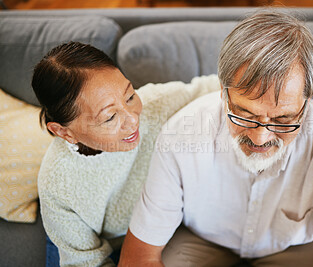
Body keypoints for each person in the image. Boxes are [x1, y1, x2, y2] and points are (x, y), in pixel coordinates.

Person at [119, 10, 313, 267]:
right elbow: (138, 258)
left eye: (283, 120)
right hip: (201, 241)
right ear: (223, 93)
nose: (260, 136)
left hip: (298, 247)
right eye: (244, 114)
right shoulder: (180, 134)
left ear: (306, 102)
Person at [32, 41, 219, 266]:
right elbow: (86, 261)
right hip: (92, 248)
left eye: (130, 96)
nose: (133, 119)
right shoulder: (57, 183)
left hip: (152, 232)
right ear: (64, 132)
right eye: (110, 117)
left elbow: (211, 87)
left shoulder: (155, 105)